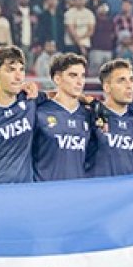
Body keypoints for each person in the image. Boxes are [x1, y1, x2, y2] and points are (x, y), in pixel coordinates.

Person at [32, 53, 93, 181]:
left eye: (82, 76)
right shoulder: (40, 112)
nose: (79, 82)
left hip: (77, 192)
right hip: (45, 191)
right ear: (57, 79)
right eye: (73, 75)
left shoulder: (89, 116)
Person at [88, 59, 133, 177]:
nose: (129, 86)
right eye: (121, 81)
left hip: (129, 192)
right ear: (107, 87)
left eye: (131, 80)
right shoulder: (91, 115)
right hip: (98, 191)